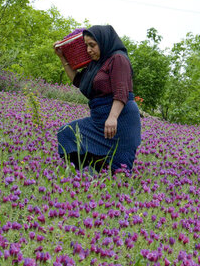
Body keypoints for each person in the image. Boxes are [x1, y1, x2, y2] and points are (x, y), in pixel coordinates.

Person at [55, 25, 142, 173]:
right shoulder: (97, 63)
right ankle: (83, 176)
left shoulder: (118, 58)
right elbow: (78, 81)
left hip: (121, 120)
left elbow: (121, 90)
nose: (88, 50)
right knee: (67, 133)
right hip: (99, 119)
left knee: (119, 170)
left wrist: (113, 117)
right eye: (86, 45)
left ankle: (98, 182)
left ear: (103, 42)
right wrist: (62, 57)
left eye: (92, 45)